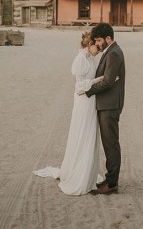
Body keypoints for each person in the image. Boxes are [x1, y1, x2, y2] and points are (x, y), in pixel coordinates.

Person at [33, 31, 106, 195]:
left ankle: (87, 171)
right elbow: (79, 87)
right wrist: (98, 80)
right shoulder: (80, 59)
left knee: (89, 134)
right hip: (83, 102)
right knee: (83, 133)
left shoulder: (90, 58)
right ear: (89, 44)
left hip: (90, 100)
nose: (99, 48)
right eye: (97, 45)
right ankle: (79, 173)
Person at [82, 22, 125, 195]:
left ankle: (112, 183)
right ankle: (109, 179)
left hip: (110, 105)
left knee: (111, 144)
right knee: (109, 144)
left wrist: (89, 91)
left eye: (99, 40)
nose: (98, 44)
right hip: (108, 103)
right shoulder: (110, 51)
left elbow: (107, 81)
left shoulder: (114, 53)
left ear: (109, 38)